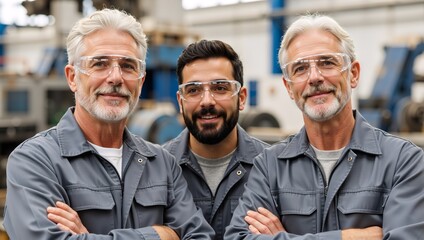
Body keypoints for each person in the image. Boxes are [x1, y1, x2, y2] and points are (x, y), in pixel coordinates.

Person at [3, 8, 214, 239]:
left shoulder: (162, 164)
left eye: (128, 66)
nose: (115, 77)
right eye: (100, 64)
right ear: (72, 77)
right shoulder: (35, 161)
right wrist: (161, 235)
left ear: (141, 81)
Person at [224, 13, 424, 239]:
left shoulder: (403, 162)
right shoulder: (270, 167)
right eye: (300, 68)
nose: (314, 77)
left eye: (327, 62)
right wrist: (347, 237)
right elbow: (238, 237)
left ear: (353, 74)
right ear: (289, 87)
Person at [162, 39, 270, 240]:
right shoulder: (158, 168)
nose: (207, 101)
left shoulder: (272, 168)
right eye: (193, 90)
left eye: (220, 88)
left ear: (242, 97)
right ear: (180, 101)